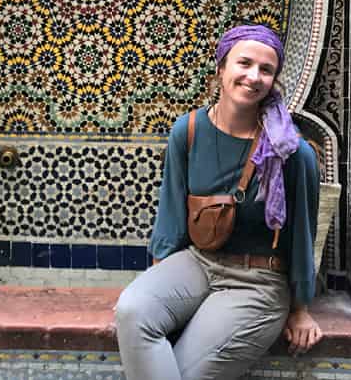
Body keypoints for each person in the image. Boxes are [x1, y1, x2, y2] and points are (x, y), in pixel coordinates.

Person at [115, 24, 322, 379]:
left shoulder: (291, 151)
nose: (253, 77)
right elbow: (171, 215)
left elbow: (303, 233)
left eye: (266, 70)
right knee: (133, 311)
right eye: (244, 63)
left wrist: (300, 308)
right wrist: (160, 280)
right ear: (221, 68)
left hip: (258, 280)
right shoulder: (189, 129)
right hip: (198, 262)